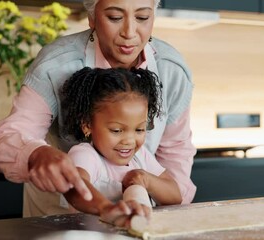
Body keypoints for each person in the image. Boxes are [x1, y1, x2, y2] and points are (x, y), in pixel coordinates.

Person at [0, 0, 196, 217]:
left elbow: (176, 155)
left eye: (142, 17)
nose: (129, 32)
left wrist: (164, 211)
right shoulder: (57, 66)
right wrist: (36, 153)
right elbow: (9, 137)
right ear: (92, 18)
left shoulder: (171, 70)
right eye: (115, 17)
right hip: (57, 220)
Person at [60, 67, 181, 226]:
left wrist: (146, 180)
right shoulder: (85, 155)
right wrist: (107, 208)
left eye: (139, 129)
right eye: (116, 130)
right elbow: (74, 187)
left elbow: (175, 196)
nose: (129, 141)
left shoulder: (141, 156)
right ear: (87, 125)